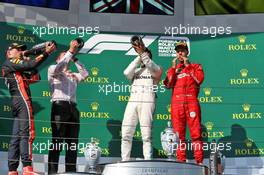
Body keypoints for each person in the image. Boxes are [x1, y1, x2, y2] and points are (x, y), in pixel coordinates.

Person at [2, 42, 56, 175]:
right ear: (10, 52)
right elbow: (30, 65)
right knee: (28, 133)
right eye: (18, 50)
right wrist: (46, 53)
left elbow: (35, 77)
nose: (21, 52)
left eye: (22, 50)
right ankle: (27, 168)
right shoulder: (10, 62)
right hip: (22, 100)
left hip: (17, 102)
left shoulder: (16, 69)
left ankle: (12, 170)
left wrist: (29, 60)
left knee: (16, 137)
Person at [47, 40, 89, 173]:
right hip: (59, 105)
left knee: (72, 143)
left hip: (73, 108)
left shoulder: (73, 75)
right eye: (65, 56)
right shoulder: (53, 69)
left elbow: (85, 74)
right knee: (57, 140)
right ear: (59, 59)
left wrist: (76, 59)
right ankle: (52, 172)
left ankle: (70, 171)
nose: (68, 59)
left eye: (69, 57)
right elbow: (60, 66)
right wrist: (70, 52)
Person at [121, 36, 162, 161]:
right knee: (126, 132)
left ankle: (147, 160)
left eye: (145, 55)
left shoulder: (156, 70)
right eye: (142, 55)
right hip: (133, 102)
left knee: (146, 135)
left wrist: (143, 53)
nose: (144, 58)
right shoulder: (136, 71)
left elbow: (152, 66)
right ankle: (125, 160)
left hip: (147, 102)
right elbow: (126, 72)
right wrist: (138, 57)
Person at [163, 42, 204, 164]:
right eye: (178, 51)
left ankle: (199, 162)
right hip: (177, 104)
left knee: (196, 134)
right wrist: (173, 70)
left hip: (191, 102)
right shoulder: (173, 69)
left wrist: (188, 66)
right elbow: (168, 85)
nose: (180, 53)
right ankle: (181, 162)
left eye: (182, 50)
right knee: (178, 136)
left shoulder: (196, 66)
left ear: (187, 52)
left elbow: (199, 79)